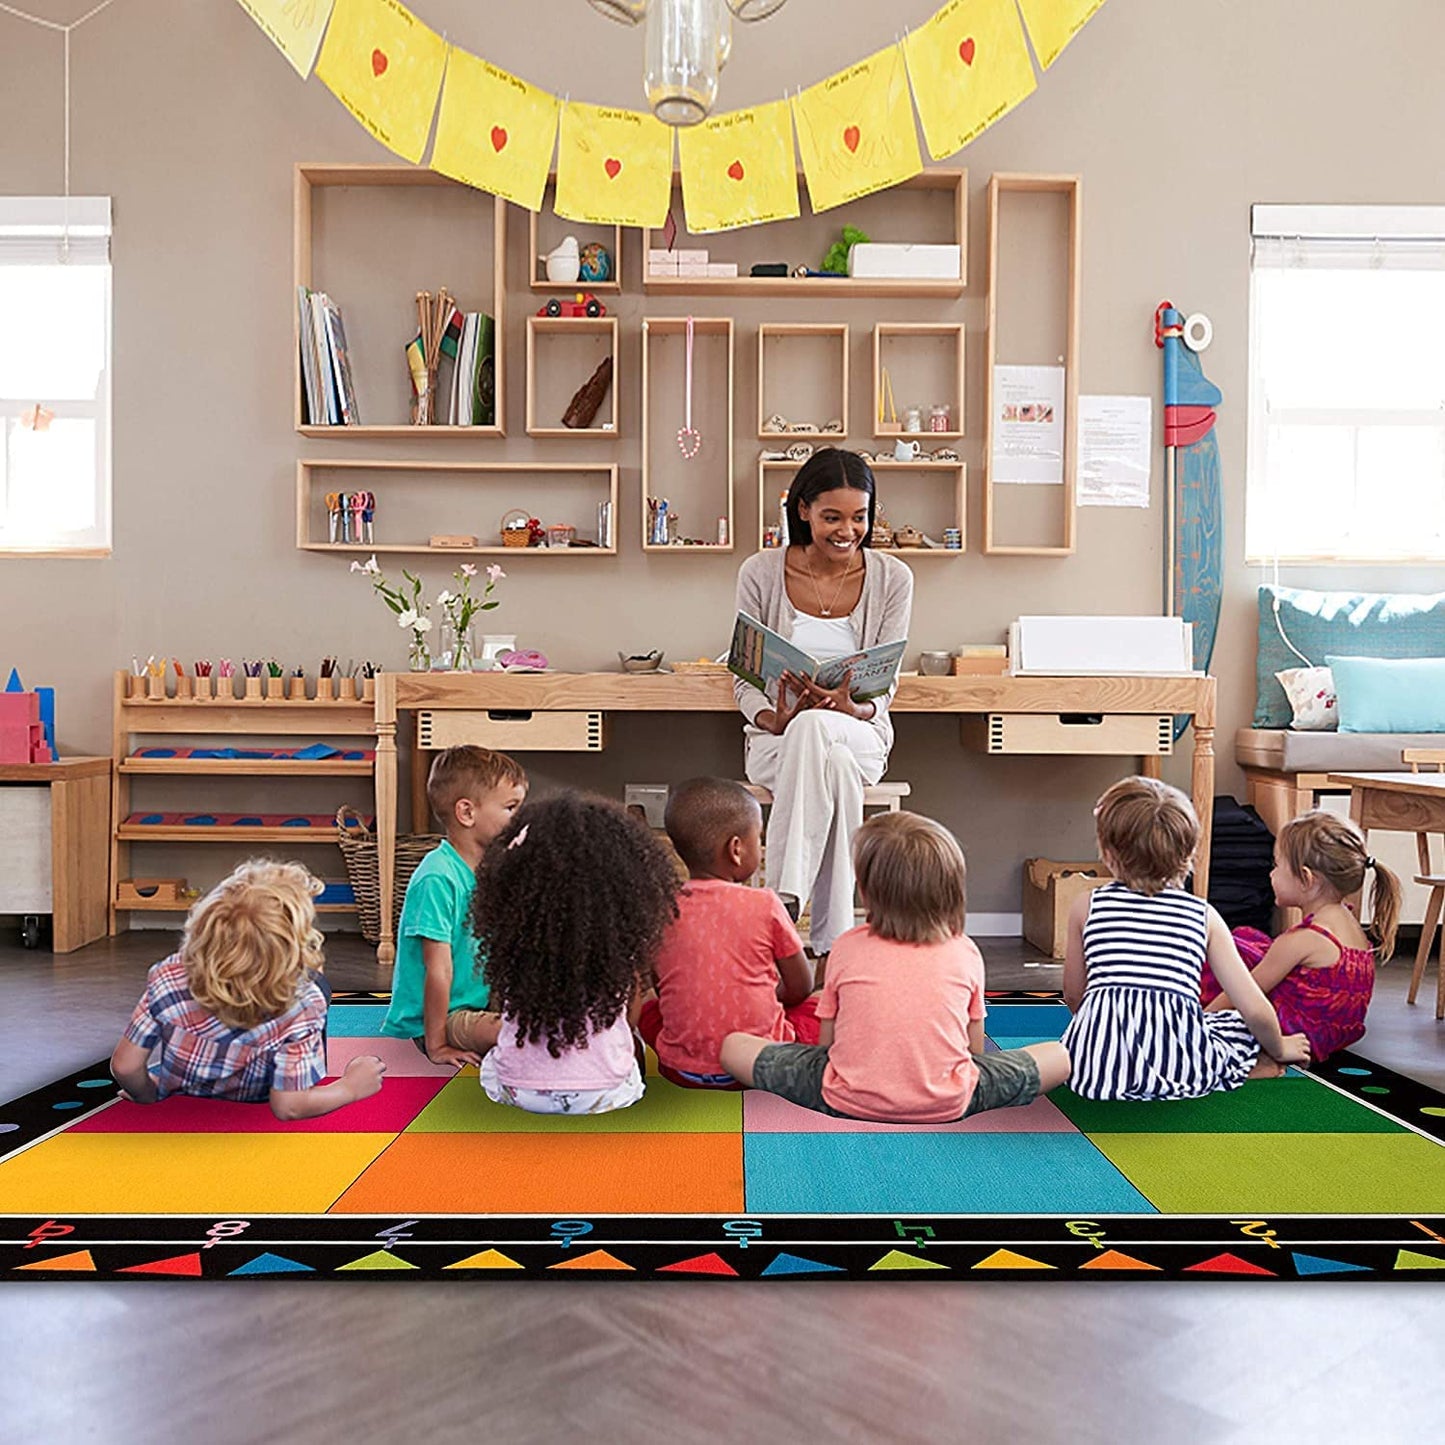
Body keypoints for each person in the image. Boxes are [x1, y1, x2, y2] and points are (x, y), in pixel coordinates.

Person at [721, 812, 1070, 1123]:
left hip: (844, 1097)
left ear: (866, 891)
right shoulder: (965, 951)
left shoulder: (846, 946)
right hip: (950, 1101)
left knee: (734, 1046)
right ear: (950, 891)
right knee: (1059, 1056)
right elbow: (974, 1051)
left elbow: (827, 1045)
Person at [733, 447, 913, 974]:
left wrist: (853, 707)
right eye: (832, 517)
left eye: (860, 517)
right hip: (778, 742)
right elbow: (744, 671)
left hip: (860, 734)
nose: (847, 530)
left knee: (823, 732)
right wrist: (772, 717)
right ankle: (833, 943)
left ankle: (782, 906)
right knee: (825, 757)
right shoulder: (761, 571)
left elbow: (888, 680)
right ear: (803, 509)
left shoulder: (893, 577)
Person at [1063, 777, 1311, 1101]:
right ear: (1190, 852)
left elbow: (1074, 996)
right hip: (1181, 1066)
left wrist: (1107, 1029)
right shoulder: (1203, 915)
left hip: (1093, 1071)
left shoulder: (1087, 905)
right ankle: (1254, 1066)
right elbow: (1255, 1009)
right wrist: (1280, 1046)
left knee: (1065, 1049)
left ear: (1108, 853)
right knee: (1230, 1025)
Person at [110, 860, 385, 1120]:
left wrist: (147, 1094)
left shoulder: (168, 975)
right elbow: (289, 1107)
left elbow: (125, 1066)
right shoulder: (303, 1003)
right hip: (259, 1098)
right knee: (318, 983)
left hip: (186, 1090)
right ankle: (306, 1072)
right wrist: (350, 1087)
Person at [470, 792, 681, 1115]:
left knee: (495, 1055)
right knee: (629, 1044)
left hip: (519, 1090)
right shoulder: (618, 950)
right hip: (606, 1094)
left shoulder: (514, 945)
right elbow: (630, 1020)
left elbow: (506, 1008)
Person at [639, 777, 817, 1089]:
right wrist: (768, 997)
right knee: (819, 1005)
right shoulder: (765, 904)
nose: (759, 849)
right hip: (762, 1068)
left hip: (681, 1072)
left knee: (649, 1008)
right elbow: (801, 987)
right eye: (757, 839)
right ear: (736, 849)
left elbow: (661, 986)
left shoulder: (660, 907)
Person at [1202, 810, 1401, 1062]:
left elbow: (1241, 993)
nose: (1271, 874)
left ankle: (1263, 1061)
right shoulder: (1348, 922)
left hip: (1298, 1034)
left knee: (1228, 958)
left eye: (1276, 865)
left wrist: (1201, 1025)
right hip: (1332, 1032)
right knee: (1249, 941)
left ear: (1306, 878)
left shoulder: (1304, 939)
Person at [380, 746, 527, 1066]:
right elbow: (439, 969)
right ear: (467, 813)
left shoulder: (493, 869)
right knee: (519, 1034)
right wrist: (437, 1045)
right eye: (511, 808)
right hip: (443, 1017)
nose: (520, 819)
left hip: (481, 1001)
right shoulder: (437, 878)